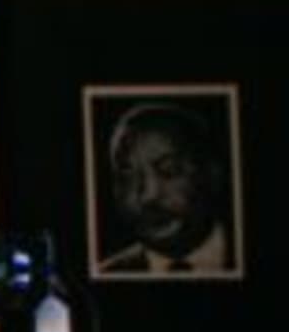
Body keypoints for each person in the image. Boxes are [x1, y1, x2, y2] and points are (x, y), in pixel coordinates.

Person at [94, 97, 236, 277]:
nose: (148, 196)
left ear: (212, 175)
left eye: (169, 171)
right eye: (127, 177)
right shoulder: (109, 273)